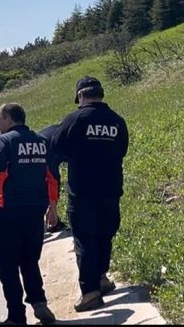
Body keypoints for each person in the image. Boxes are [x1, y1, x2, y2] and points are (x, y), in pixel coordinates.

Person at [50, 76, 129, 312]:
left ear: (81, 96)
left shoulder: (75, 119)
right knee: (105, 235)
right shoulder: (117, 121)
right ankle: (101, 277)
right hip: (110, 190)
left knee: (84, 239)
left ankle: (90, 292)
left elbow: (56, 148)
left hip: (82, 192)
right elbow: (122, 150)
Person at [0, 103, 58, 325]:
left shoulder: (6, 141)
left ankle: (16, 316)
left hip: (10, 212)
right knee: (30, 260)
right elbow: (53, 177)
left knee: (7, 265)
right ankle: (39, 302)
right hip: (35, 212)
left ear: (8, 118)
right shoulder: (42, 141)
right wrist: (53, 209)